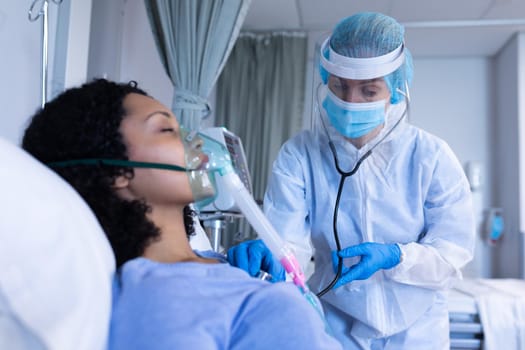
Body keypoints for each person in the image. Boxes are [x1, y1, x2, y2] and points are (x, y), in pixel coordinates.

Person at [21, 79, 342, 350]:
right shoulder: (161, 297)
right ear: (117, 170)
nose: (196, 142)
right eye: (166, 129)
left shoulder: (213, 265)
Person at [228, 12, 475, 349]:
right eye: (339, 87)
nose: (350, 101)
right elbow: (289, 247)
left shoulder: (430, 156)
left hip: (417, 329)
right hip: (334, 323)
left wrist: (398, 257)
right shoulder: (300, 154)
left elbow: (452, 255)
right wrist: (273, 255)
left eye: (368, 91)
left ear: (397, 92)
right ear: (325, 81)